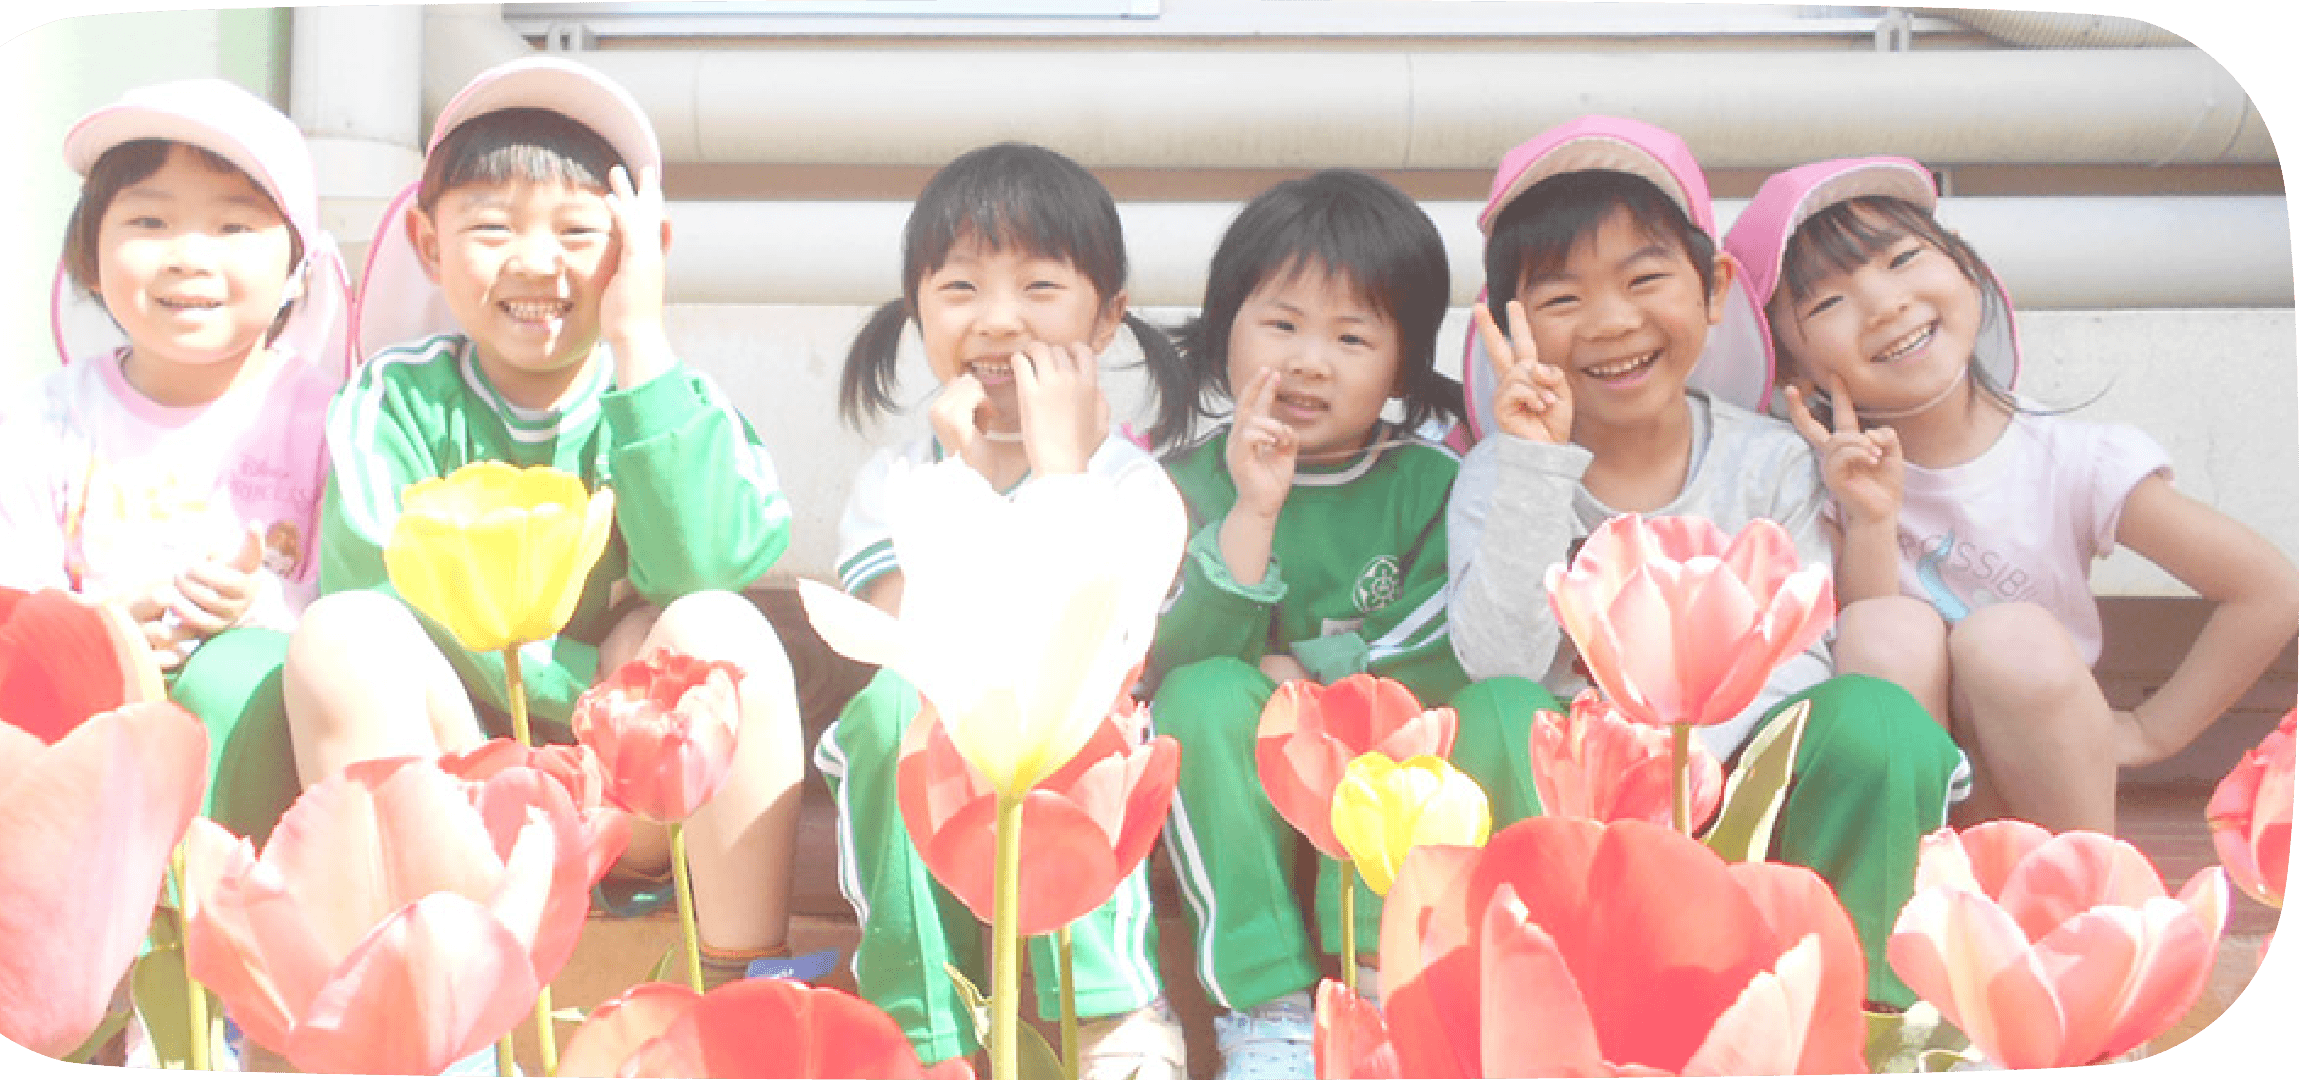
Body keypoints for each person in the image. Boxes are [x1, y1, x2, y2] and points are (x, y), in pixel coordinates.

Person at [287, 57, 805, 986]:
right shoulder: (394, 402)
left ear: (643, 249)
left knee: (712, 627)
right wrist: (578, 702)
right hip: (456, 787)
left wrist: (639, 340)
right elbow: (380, 574)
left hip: (631, 807)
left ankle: (739, 992)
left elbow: (712, 563)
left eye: (577, 230)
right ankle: (416, 994)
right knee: (342, 633)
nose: (535, 262)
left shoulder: (671, 400)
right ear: (427, 243)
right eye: (491, 227)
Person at [1443, 116, 1962, 1009]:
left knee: (1876, 718)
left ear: (1716, 287)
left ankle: (1868, 1015)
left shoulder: (1772, 465)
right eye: (1562, 299)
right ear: (1507, 326)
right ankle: (1546, 1002)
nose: (1613, 322)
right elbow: (1500, 663)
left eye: (1646, 280)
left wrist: (1688, 769)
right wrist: (1533, 464)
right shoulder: (1500, 473)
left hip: (1750, 797)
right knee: (1492, 712)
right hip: (1584, 816)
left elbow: (1802, 654)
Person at [1722, 156, 2299, 834]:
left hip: (2044, 796)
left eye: (1903, 259)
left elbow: (2268, 589)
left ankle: (2078, 879)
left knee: (2007, 639)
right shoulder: (1806, 481)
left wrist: (2152, 730)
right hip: (1916, 809)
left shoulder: (2072, 460)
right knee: (1884, 627)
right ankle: (1911, 876)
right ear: (1792, 370)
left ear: (1969, 273)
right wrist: (1870, 518)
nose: (1886, 305)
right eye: (1827, 303)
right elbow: (1867, 664)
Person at [817, 141, 1188, 1080]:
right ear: (918, 313)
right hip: (940, 745)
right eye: (960, 288)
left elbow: (1094, 646)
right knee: (889, 714)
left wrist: (1061, 473)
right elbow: (914, 644)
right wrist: (966, 480)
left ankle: (1108, 1017)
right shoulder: (897, 483)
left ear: (1108, 317)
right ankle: (921, 1036)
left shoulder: (1133, 487)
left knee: (1088, 724)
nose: (998, 319)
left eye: (1039, 286)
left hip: (1066, 744)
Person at [0, 78, 348, 842]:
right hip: (85, 773)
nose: (188, 256)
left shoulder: (333, 423)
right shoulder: (42, 424)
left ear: (298, 266)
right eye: (150, 221)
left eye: (233, 226)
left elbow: (363, 611)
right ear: (89, 258)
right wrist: (95, 636)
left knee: (235, 675)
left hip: (262, 776)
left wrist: (259, 610)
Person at [1143, 169, 1468, 1080]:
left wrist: (1319, 678)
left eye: (1353, 337)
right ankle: (1268, 1016)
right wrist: (1252, 510)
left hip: (1376, 808)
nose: (1311, 362)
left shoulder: (1430, 484)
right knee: (1202, 695)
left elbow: (1444, 642)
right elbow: (1174, 662)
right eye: (1282, 325)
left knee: (1386, 710)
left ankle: (1380, 988)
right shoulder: (1179, 485)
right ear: (1225, 329)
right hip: (1237, 786)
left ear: (1404, 363)